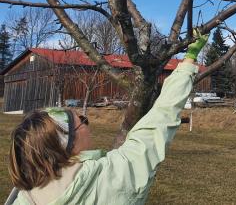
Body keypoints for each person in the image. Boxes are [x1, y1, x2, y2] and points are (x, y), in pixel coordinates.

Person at [6, 34, 209, 205]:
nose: (87, 123)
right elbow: (161, 116)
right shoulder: (111, 176)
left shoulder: (24, 197)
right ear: (67, 142)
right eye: (81, 120)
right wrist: (190, 58)